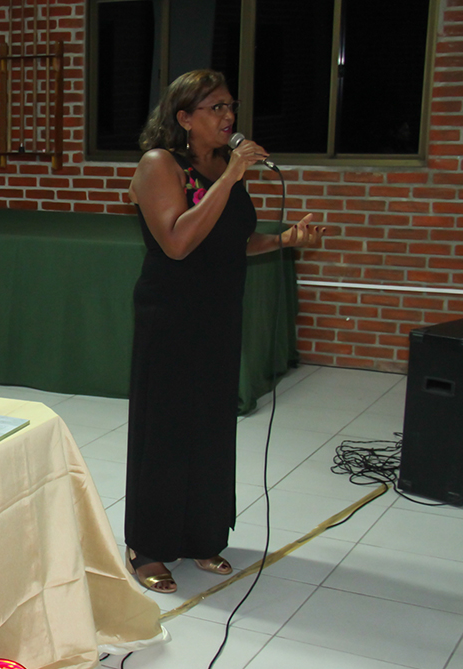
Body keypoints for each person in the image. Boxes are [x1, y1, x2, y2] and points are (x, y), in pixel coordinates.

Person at [123, 70, 325, 593]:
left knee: (211, 426)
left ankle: (201, 535)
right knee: (167, 430)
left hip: (218, 314)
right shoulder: (160, 165)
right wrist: (232, 176)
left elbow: (229, 240)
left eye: (230, 106)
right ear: (184, 117)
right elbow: (177, 242)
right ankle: (149, 546)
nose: (229, 116)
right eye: (215, 107)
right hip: (170, 317)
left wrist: (283, 239)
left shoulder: (221, 167)